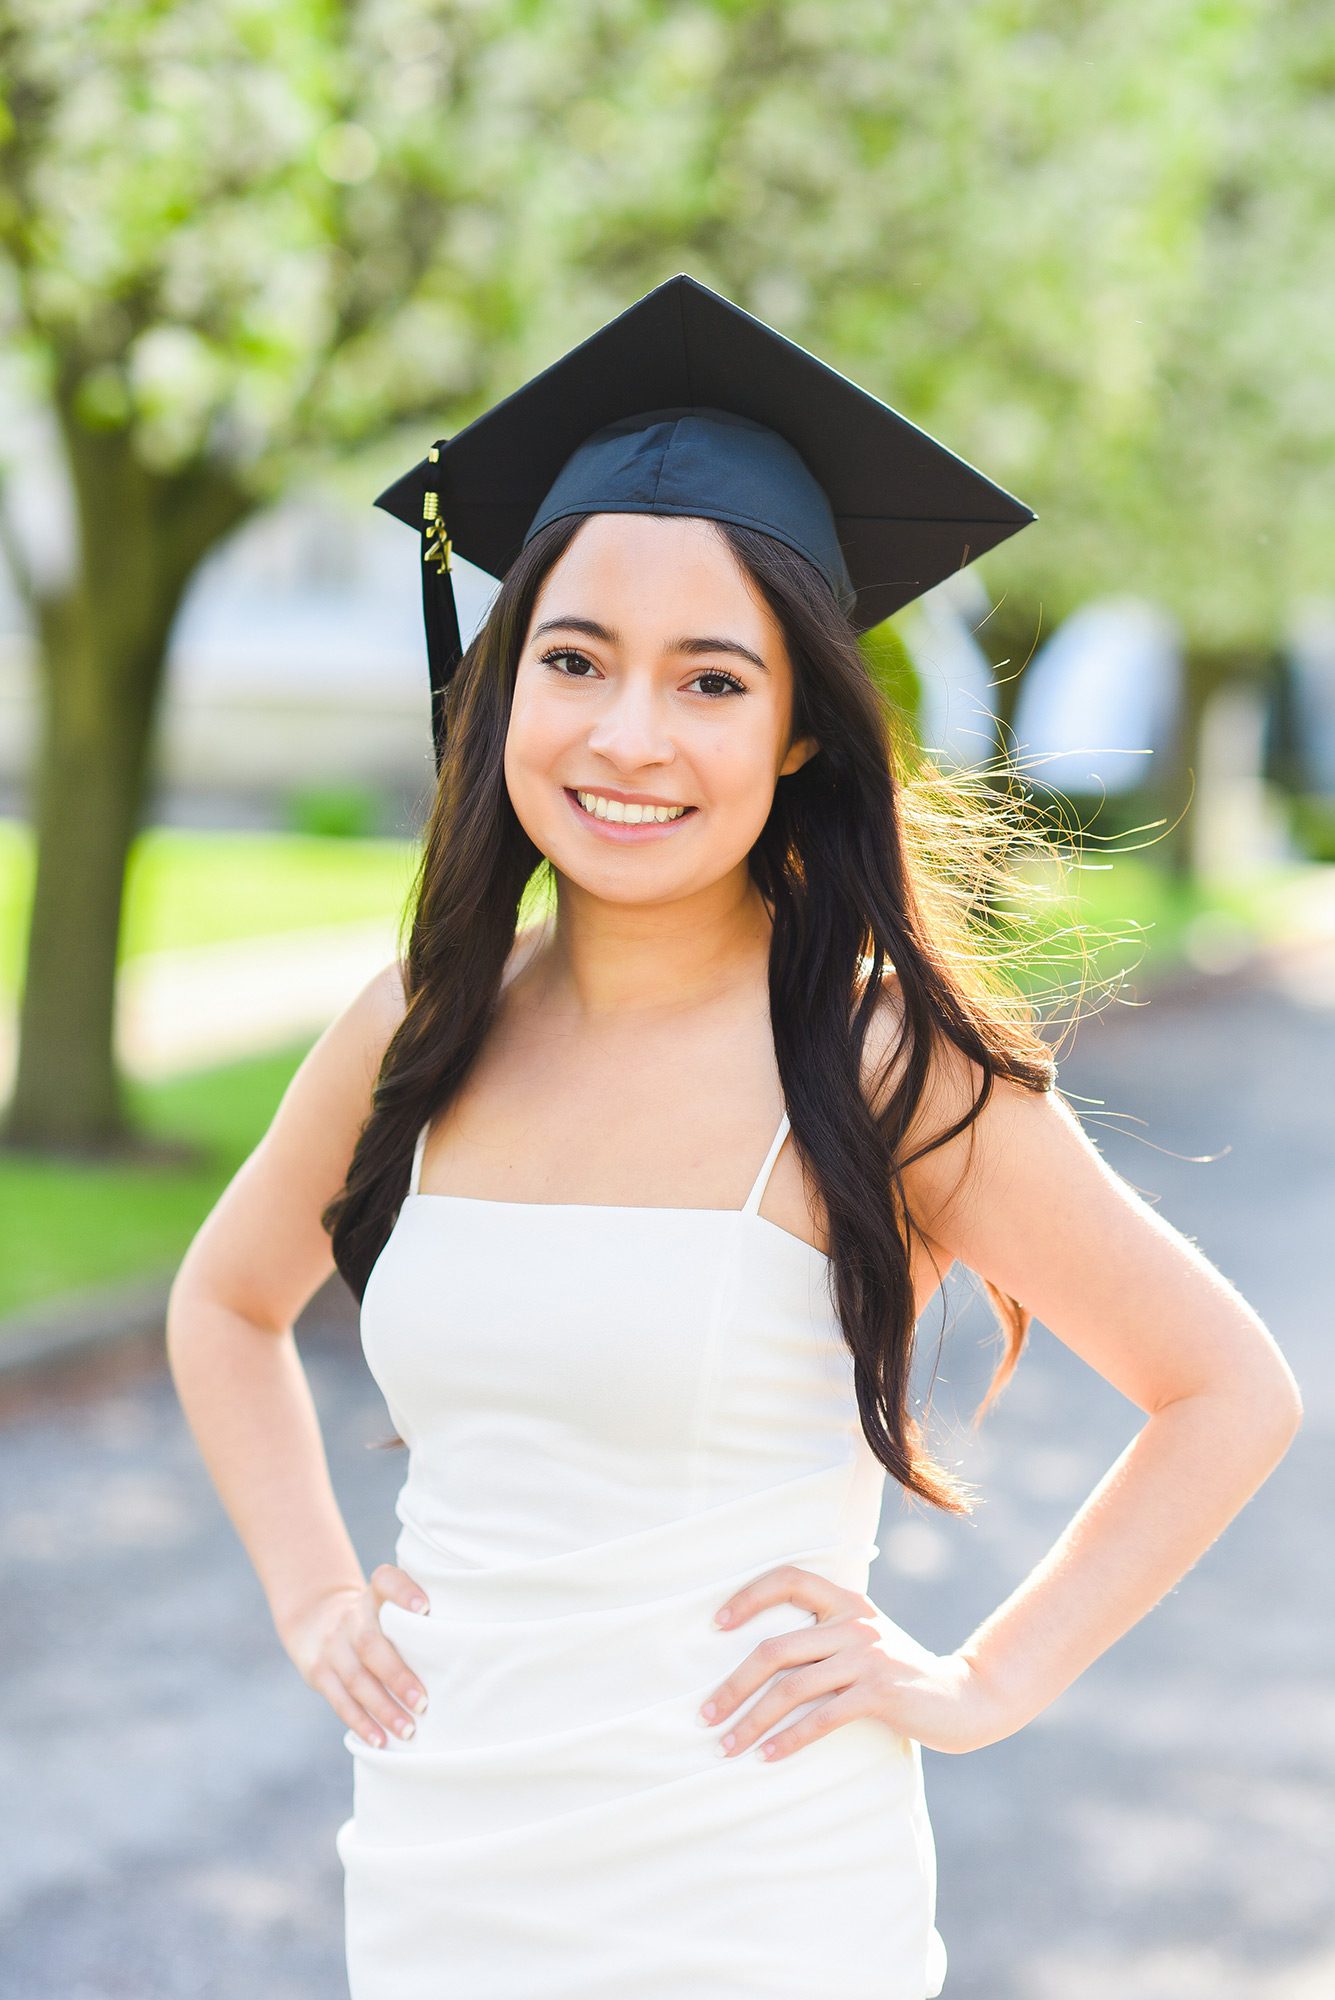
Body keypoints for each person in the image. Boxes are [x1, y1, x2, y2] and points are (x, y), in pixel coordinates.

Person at [166, 274, 1303, 2000]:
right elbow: (223, 1303)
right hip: (434, 1876)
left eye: (711, 680)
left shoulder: (875, 1063)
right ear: (504, 686)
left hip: (753, 1901)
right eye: (574, 660)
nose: (628, 736)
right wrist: (317, 1595)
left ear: (799, 729)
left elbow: (1225, 1389)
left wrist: (982, 1684)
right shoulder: (419, 1025)